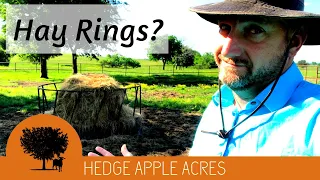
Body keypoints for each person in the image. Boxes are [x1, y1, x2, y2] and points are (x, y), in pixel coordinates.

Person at [88, 0, 320, 157]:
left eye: (254, 30)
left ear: (294, 42)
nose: (227, 50)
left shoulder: (313, 121)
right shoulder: (219, 104)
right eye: (225, 27)